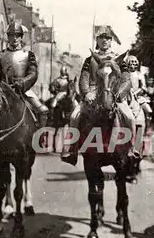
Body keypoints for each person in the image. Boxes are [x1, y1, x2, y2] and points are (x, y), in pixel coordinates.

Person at [60, 27, 139, 166]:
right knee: (74, 116)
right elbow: (84, 78)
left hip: (114, 95)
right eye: (101, 38)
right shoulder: (90, 59)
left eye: (107, 38)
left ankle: (132, 148)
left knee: (130, 117)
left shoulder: (120, 59)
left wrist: (119, 94)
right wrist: (87, 92)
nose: (104, 41)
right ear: (97, 40)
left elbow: (126, 79)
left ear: (111, 41)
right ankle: (72, 150)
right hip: (93, 95)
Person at [0, 20, 49, 150]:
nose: (14, 38)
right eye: (11, 35)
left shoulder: (28, 55)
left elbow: (33, 74)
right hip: (3, 91)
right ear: (8, 37)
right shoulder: (0, 55)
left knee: (42, 110)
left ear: (21, 37)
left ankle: (41, 138)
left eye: (17, 35)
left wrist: (22, 83)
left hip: (23, 90)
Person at [126, 55, 152, 124]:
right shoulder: (124, 74)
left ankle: (147, 126)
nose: (133, 64)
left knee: (148, 110)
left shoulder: (140, 75)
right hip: (126, 97)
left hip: (138, 97)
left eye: (134, 62)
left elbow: (143, 87)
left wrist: (136, 93)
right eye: (131, 62)